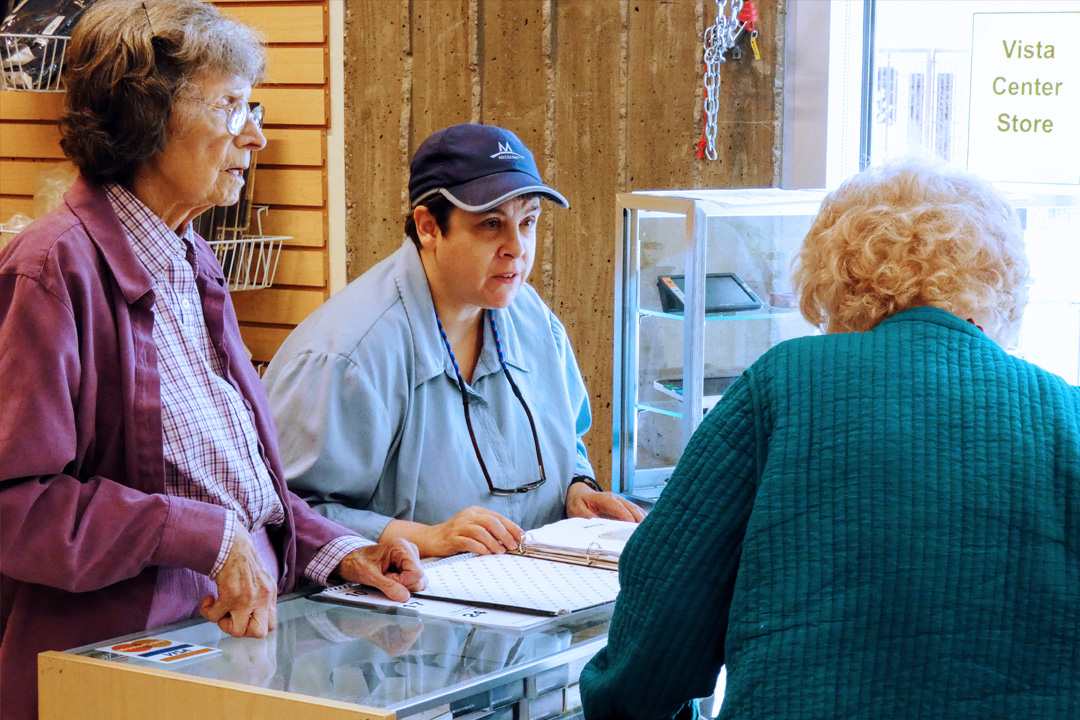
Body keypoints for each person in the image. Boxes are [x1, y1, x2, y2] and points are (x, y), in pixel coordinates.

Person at [0, 3, 424, 718]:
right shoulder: (50, 270)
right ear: (146, 119)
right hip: (111, 676)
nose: (254, 135)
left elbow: (233, 483)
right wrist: (205, 535)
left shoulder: (191, 256)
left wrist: (337, 549)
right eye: (231, 107)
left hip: (217, 656)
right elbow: (18, 507)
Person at [579, 161, 1080, 719]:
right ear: (999, 280)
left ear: (833, 275)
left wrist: (621, 705)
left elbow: (665, 604)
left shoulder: (783, 383)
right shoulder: (1068, 413)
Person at [263, 123, 644, 559]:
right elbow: (283, 515)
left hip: (534, 599)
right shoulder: (348, 355)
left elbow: (568, 439)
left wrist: (579, 485)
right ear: (428, 227)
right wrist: (423, 537)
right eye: (491, 224)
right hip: (399, 616)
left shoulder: (534, 318)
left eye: (529, 221)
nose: (516, 247)